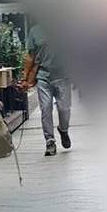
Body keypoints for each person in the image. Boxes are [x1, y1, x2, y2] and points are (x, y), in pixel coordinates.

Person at [19, 24, 72, 156]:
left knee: (64, 108)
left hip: (63, 76)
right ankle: (50, 141)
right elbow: (30, 56)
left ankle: (63, 130)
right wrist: (25, 78)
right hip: (43, 76)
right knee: (46, 109)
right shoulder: (35, 31)